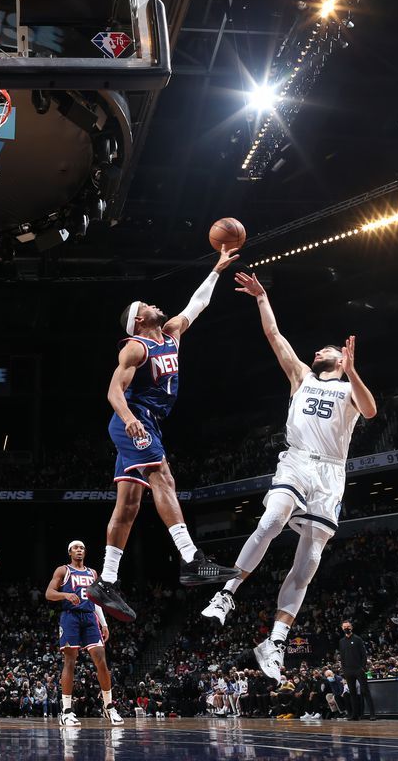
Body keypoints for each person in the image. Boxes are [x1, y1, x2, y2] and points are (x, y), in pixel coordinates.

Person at [201, 273, 377, 683]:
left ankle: (275, 640)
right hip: (297, 460)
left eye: (326, 348)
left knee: (310, 558)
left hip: (331, 472)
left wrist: (354, 372)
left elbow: (369, 411)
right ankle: (226, 594)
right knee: (272, 518)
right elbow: (274, 335)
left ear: (340, 358)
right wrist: (262, 298)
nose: (317, 350)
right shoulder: (301, 376)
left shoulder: (349, 387)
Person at [86, 246, 242, 623]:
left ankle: (106, 581)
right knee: (164, 477)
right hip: (135, 419)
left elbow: (197, 304)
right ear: (139, 319)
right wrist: (128, 420)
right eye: (148, 305)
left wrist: (216, 270)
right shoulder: (136, 348)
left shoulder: (170, 334)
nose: (157, 305)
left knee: (128, 506)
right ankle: (191, 559)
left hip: (148, 421)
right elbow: (112, 392)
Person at [45, 540, 122, 727]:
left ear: (84, 552)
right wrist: (65, 595)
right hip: (70, 617)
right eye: (75, 548)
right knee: (70, 661)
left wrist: (104, 623)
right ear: (69, 552)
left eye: (82, 548)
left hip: (89, 618)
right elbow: (48, 593)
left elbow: (96, 600)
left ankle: (109, 706)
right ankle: (66, 711)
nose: (79, 550)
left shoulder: (92, 573)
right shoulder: (63, 570)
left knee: (101, 661)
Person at [338, 621, 376, 720]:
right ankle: (354, 715)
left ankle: (372, 714)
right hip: (348, 671)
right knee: (352, 693)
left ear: (351, 627)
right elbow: (342, 657)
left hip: (358, 669)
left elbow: (364, 654)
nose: (346, 628)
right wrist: (344, 669)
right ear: (342, 628)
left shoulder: (357, 639)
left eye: (348, 626)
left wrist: (362, 668)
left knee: (365, 691)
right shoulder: (341, 641)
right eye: (344, 627)